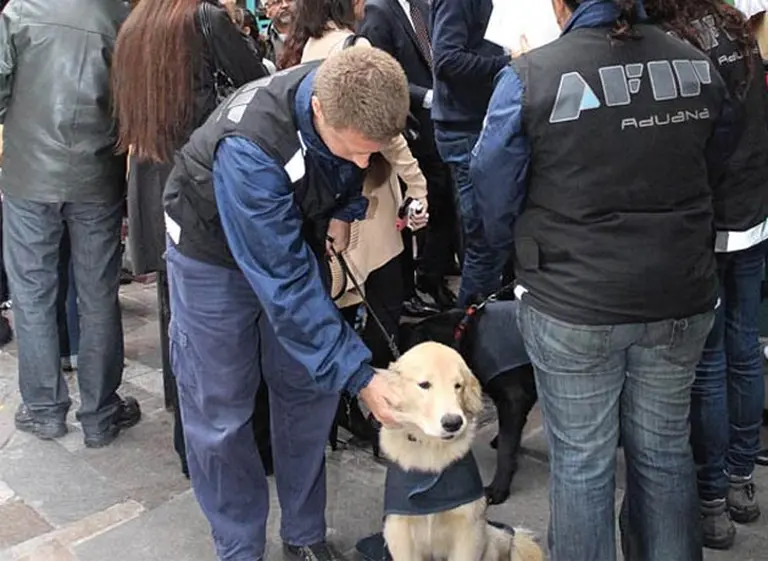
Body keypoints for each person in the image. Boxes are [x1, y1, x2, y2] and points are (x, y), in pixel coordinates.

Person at [470, 0, 738, 559]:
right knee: (663, 454)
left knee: (583, 464)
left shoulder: (530, 76)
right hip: (678, 292)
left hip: (573, 299)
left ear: (559, 4)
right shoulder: (696, 64)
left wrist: (515, 251)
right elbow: (718, 158)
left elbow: (490, 187)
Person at [163, 47, 407, 561]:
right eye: (357, 151)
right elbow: (285, 282)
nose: (365, 162)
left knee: (308, 390)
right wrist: (360, 376)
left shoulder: (351, 90)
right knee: (221, 408)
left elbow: (345, 170)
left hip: (287, 235)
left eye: (374, 152)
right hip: (211, 254)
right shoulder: (251, 147)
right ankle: (239, 546)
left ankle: (303, 534)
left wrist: (345, 209)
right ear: (319, 113)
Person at [112, 0, 269, 476]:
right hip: (204, 180)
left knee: (178, 317)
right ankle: (243, 445)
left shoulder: (135, 25)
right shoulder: (205, 19)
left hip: (154, 178)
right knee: (230, 318)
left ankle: (189, 438)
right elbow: (252, 87)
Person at [645, 0, 768, 550]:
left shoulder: (674, 42)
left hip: (708, 220)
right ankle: (742, 480)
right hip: (753, 210)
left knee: (711, 361)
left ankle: (713, 499)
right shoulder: (735, 27)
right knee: (745, 348)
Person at [0, 0, 141, 448]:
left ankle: (43, 409)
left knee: (32, 293)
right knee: (98, 294)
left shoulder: (20, 12)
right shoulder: (120, 20)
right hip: (96, 175)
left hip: (28, 172)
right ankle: (100, 413)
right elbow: (133, 103)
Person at [360, 0, 460, 313]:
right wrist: (427, 97)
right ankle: (412, 288)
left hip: (440, 122)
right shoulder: (379, 11)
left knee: (440, 199)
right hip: (408, 125)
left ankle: (433, 272)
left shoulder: (423, 8)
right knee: (411, 206)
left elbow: (436, 54)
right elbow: (383, 73)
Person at [430, 0, 511, 307]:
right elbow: (447, 60)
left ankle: (492, 327)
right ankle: (470, 336)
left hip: (490, 122)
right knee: (486, 242)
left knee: (499, 238)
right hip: (466, 129)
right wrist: (510, 63)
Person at [262, 0, 294, 64]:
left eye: (289, 0)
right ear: (266, 11)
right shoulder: (262, 41)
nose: (285, 5)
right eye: (277, 2)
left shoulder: (311, 32)